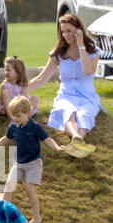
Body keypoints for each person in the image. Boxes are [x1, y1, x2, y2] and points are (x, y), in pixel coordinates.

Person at [0, 96, 65, 223]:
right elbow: (5, 138)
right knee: (8, 186)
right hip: (19, 163)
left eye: (18, 116)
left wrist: (57, 147)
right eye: (13, 115)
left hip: (34, 163)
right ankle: (4, 217)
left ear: (28, 113)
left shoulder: (35, 126)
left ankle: (36, 218)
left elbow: (47, 139)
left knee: (29, 189)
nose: (15, 119)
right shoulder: (13, 126)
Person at [29, 13, 103, 143]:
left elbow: (87, 71)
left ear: (78, 30)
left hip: (87, 96)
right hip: (65, 95)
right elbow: (41, 78)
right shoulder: (58, 53)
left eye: (69, 31)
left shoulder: (93, 51)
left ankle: (79, 138)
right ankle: (76, 136)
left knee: (84, 115)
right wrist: (20, 88)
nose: (66, 35)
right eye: (63, 32)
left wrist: (81, 46)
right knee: (68, 112)